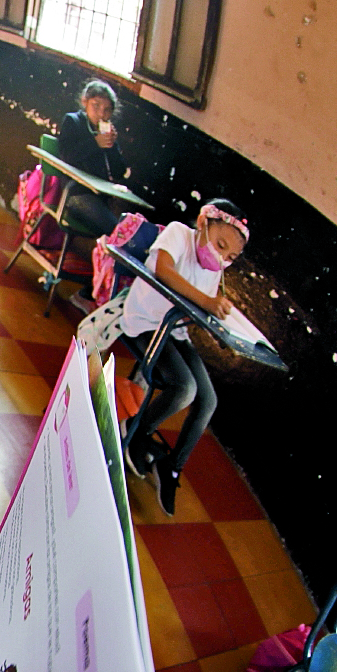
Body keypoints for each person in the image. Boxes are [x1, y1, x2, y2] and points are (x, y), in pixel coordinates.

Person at [119, 201, 250, 516]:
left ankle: (172, 468)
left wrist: (220, 316)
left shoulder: (213, 271)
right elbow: (163, 270)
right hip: (146, 323)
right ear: (204, 222)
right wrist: (206, 301)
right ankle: (138, 434)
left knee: (208, 401)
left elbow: (197, 309)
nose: (221, 258)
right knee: (185, 388)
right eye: (220, 245)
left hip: (174, 332)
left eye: (230, 257)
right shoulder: (179, 234)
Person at [55, 79, 128, 240]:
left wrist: (112, 146)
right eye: (96, 106)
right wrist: (95, 143)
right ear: (85, 102)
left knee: (127, 230)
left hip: (100, 198)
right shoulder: (73, 122)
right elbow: (67, 156)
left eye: (107, 110)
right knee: (117, 234)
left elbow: (119, 171)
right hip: (75, 194)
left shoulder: (106, 133)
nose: (102, 114)